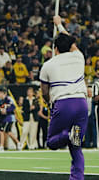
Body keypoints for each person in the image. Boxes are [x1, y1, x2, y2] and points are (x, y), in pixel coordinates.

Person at [39, 15, 88, 180]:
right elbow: (71, 43)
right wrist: (60, 25)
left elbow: (45, 92)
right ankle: (77, 178)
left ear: (55, 48)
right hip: (81, 103)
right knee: (76, 147)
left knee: (52, 142)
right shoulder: (78, 57)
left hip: (63, 103)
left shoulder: (48, 65)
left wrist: (49, 104)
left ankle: (67, 134)